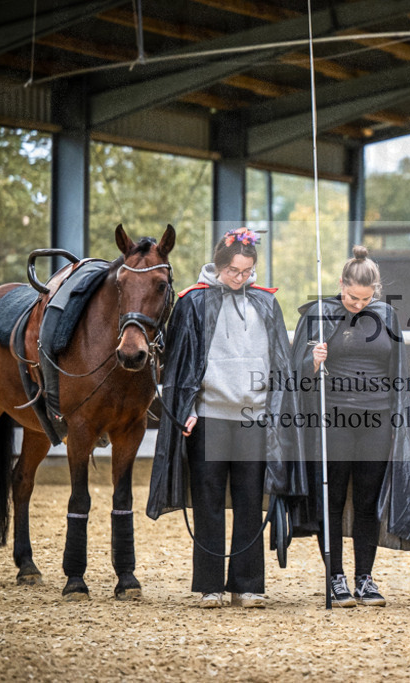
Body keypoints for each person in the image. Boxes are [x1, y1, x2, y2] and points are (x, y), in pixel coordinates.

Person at [147, 227, 307, 609]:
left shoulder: (266, 304)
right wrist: (184, 409)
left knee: (251, 501)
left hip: (254, 419)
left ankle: (247, 584)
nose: (241, 278)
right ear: (219, 265)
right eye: (235, 271)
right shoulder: (192, 302)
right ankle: (210, 586)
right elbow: (179, 365)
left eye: (247, 271)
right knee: (209, 501)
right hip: (210, 417)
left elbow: (279, 364)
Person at [290, 245, 410, 608]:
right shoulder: (318, 314)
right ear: (340, 285)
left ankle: (364, 577)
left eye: (364, 298)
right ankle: (336, 577)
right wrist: (311, 363)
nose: (357, 304)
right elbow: (294, 373)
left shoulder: (386, 316)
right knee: (331, 500)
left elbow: (398, 369)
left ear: (374, 293)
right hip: (332, 419)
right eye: (351, 296)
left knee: (366, 502)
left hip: (377, 419)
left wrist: (399, 419)